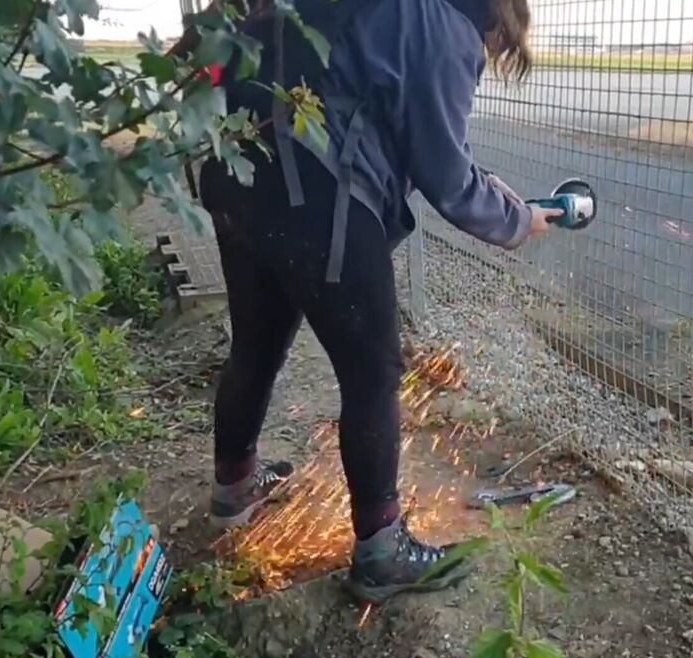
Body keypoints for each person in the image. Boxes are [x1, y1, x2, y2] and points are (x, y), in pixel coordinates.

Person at [195, 0, 561, 603]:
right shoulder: (441, 21)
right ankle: (381, 554)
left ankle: (233, 490)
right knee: (374, 374)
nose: (487, 53)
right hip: (319, 194)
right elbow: (444, 172)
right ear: (502, 18)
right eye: (495, 45)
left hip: (240, 176)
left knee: (256, 348)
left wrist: (493, 192)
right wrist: (518, 221)